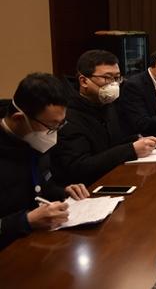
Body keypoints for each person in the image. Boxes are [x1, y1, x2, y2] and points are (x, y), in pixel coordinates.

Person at [0, 73, 89, 249]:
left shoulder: (33, 138)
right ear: (19, 118)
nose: (55, 132)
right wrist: (25, 221)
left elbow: (39, 186)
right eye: (51, 125)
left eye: (60, 124)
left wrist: (62, 191)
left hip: (40, 241)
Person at [52, 50, 156, 186]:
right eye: (107, 78)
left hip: (116, 177)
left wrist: (138, 139)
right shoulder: (67, 114)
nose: (114, 84)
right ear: (84, 81)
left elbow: (111, 144)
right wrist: (130, 149)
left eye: (117, 78)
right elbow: (79, 167)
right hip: (88, 188)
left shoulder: (108, 104)